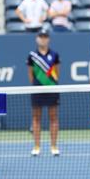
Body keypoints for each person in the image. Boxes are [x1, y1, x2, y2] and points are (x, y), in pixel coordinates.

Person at [27, 28, 60, 156]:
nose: (43, 39)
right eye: (41, 36)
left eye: (45, 36)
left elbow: (57, 72)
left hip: (52, 89)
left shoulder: (55, 55)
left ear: (49, 39)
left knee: (53, 117)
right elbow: (30, 74)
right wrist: (36, 85)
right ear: (37, 38)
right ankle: (36, 146)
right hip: (37, 90)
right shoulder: (32, 56)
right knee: (36, 118)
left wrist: (51, 83)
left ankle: (54, 146)